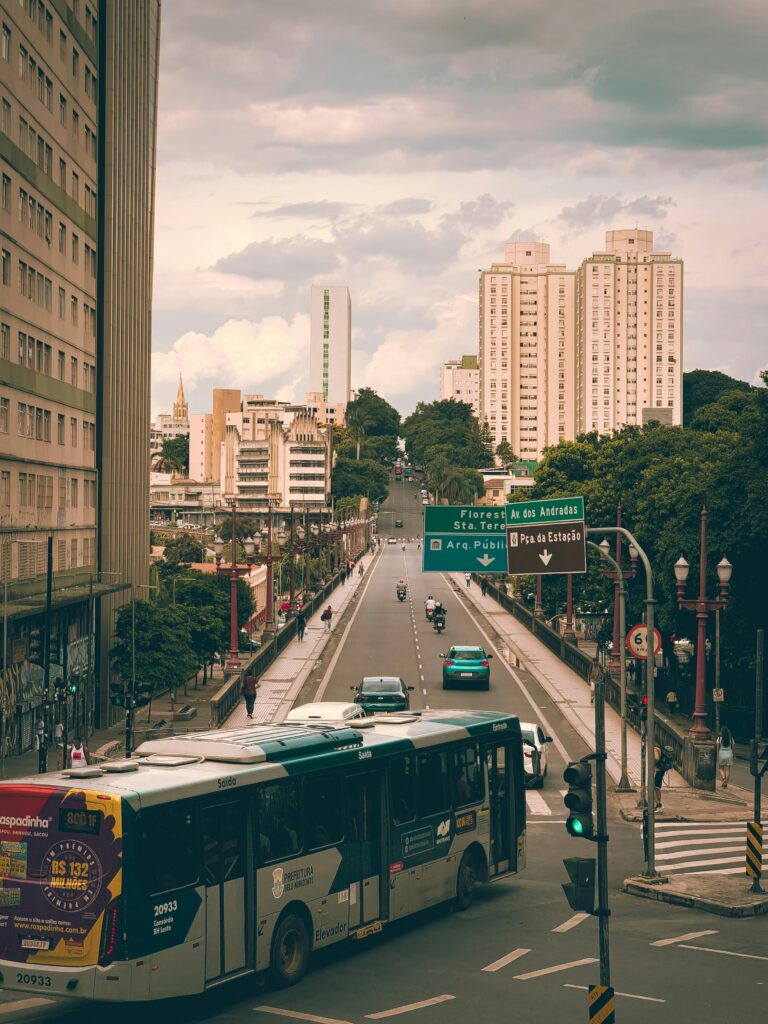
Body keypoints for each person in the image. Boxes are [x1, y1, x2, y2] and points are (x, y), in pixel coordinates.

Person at [653, 742, 670, 810]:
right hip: (661, 770)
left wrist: (653, 764)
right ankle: (658, 804)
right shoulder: (659, 748)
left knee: (653, 788)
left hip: (658, 771)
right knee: (657, 788)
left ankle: (658, 804)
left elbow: (656, 758)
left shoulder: (655, 749)